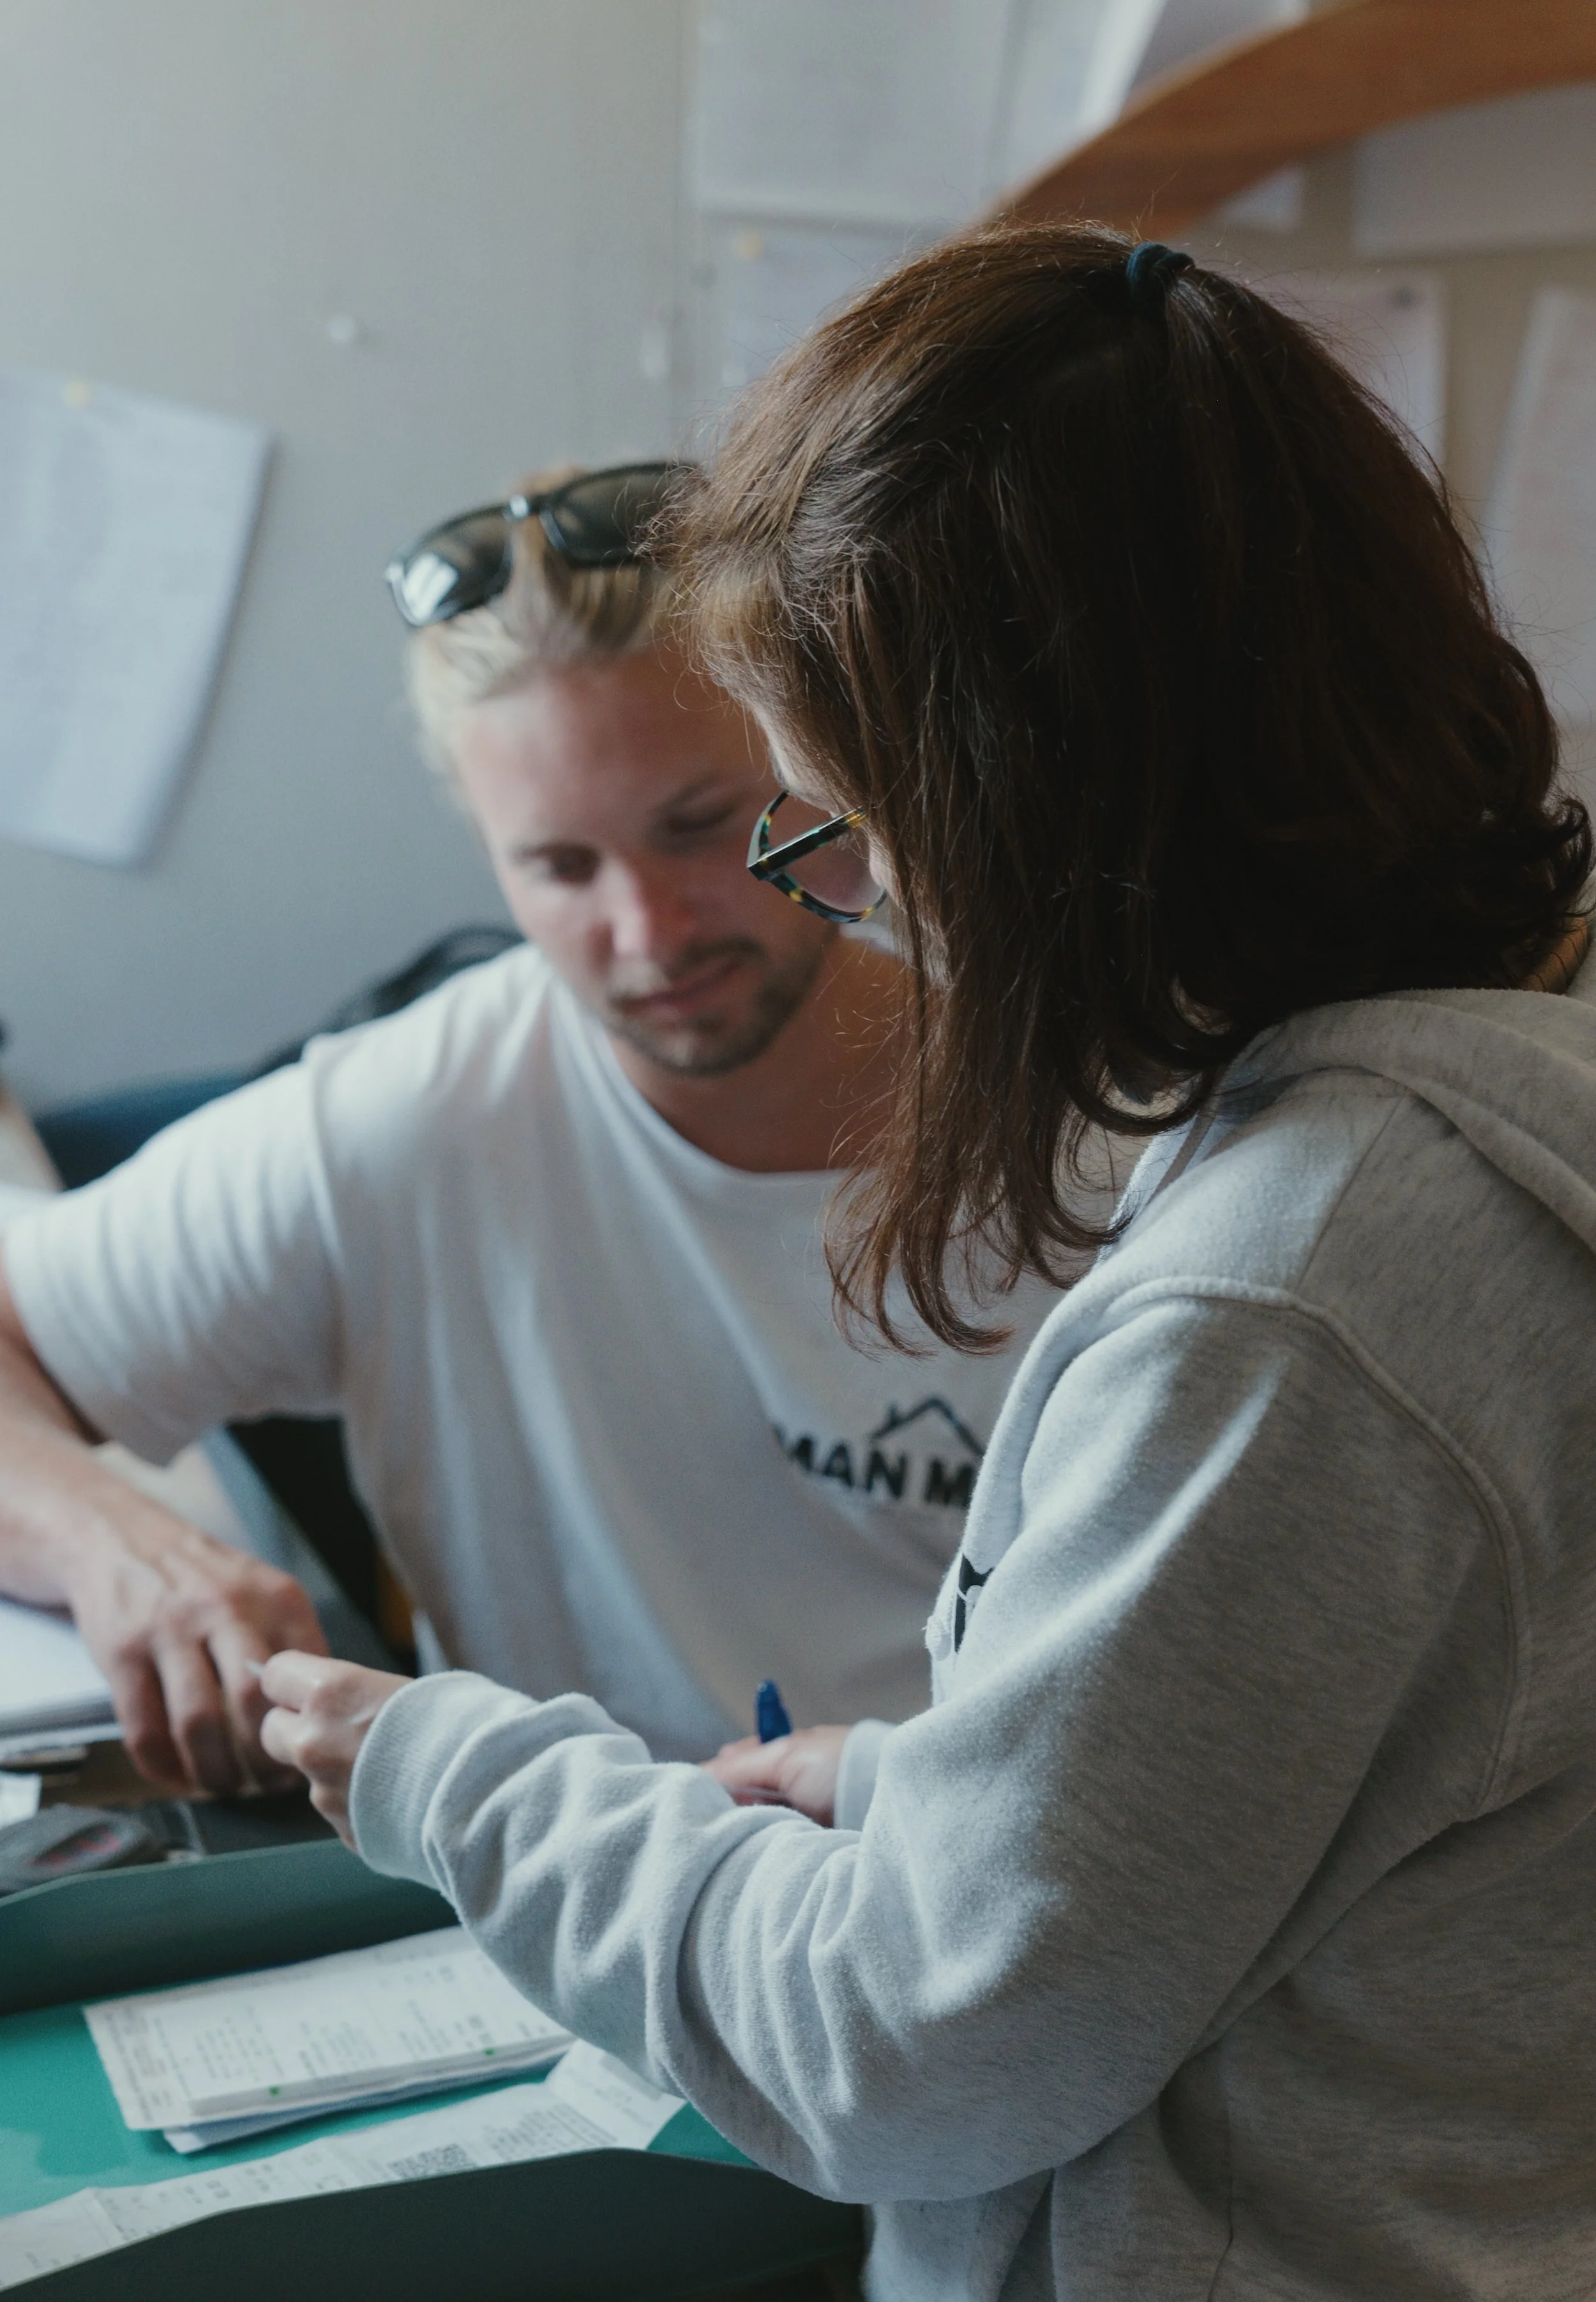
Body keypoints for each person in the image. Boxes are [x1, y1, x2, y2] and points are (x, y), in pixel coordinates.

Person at [260, 227, 1596, 2302]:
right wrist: (945, 1787)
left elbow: (906, 2046)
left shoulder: (1298, 1318)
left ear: (1048, 807)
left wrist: (459, 1772)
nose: (859, 901)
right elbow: (1376, 1800)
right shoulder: (1507, 1110)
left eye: (847, 828)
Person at [0, 462, 1062, 1798]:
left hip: (976, 1912)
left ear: (820, 766)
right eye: (561, 867)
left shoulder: (1089, 1122)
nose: (647, 933)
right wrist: (114, 1546)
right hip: (566, 1929)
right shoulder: (414, 1118)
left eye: (698, 827)